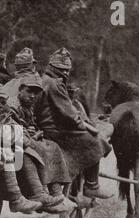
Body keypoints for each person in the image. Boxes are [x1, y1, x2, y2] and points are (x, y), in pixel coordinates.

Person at [0, 82, 72, 213]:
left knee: (29, 151)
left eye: (2, 101)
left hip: (4, 148)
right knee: (24, 152)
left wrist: (20, 136)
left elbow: (17, 130)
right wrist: (15, 136)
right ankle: (29, 196)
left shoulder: (2, 113)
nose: (0, 105)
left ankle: (42, 193)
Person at [36, 47, 113, 199]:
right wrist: (85, 125)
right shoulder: (55, 84)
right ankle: (92, 185)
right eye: (61, 69)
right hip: (56, 131)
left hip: (44, 128)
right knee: (95, 141)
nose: (64, 73)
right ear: (52, 67)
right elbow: (69, 115)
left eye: (66, 70)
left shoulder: (41, 80)